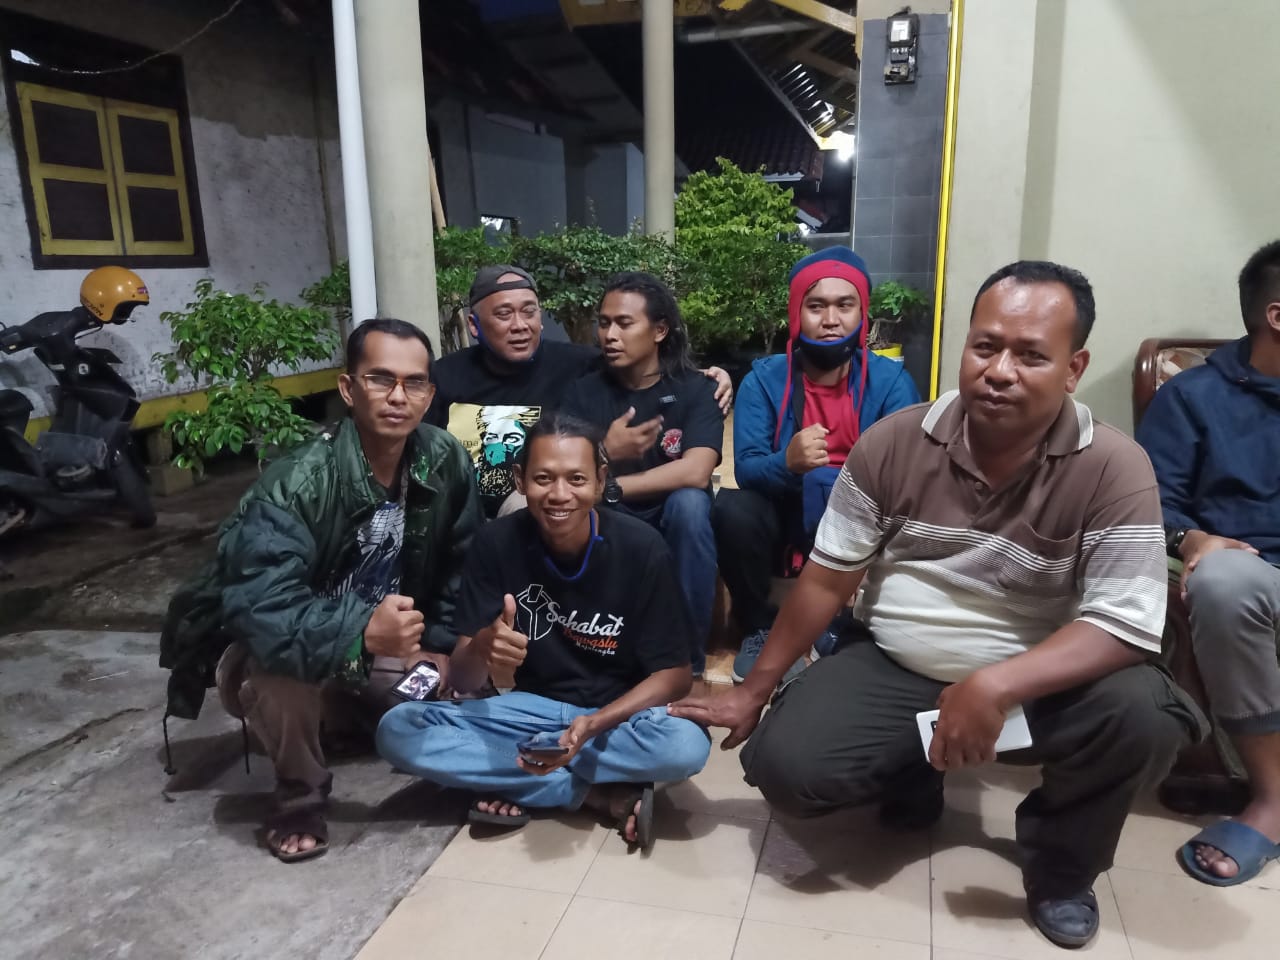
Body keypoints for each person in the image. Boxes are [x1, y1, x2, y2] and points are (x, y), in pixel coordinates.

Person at [671, 261, 1207, 949]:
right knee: (786, 767)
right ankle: (914, 767)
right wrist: (755, 689)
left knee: (1142, 715)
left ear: (1073, 369)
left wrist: (995, 685)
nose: (999, 371)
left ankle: (1062, 869)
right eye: (985, 346)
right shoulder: (896, 441)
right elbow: (827, 580)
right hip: (898, 659)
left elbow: (1126, 624)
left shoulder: (1112, 466)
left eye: (1030, 355)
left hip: (1043, 679)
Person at [159, 318, 482, 863]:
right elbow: (261, 612)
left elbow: (461, 563)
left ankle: (345, 721)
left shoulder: (444, 457)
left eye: (414, 383)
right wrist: (362, 630)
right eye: (380, 379)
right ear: (349, 388)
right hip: (288, 650)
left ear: (429, 395)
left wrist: (442, 645)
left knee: (462, 687)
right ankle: (299, 799)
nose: (398, 396)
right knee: (280, 679)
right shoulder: (297, 483)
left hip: (385, 649)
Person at [376, 412, 711, 848]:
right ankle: (592, 794)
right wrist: (483, 645)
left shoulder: (641, 548)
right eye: (543, 478)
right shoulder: (496, 543)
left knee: (686, 746)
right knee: (399, 729)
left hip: (615, 716)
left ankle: (516, 774)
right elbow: (463, 679)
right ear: (520, 480)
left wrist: (593, 725)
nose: (559, 494)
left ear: (600, 481)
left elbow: (675, 676)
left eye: (576, 479)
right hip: (532, 708)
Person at [1136, 239, 1280, 887]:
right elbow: (1147, 505)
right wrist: (1189, 538)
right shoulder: (1194, 397)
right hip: (1249, 570)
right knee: (1223, 582)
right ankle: (1271, 799)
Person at [713, 247, 921, 683]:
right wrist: (788, 463)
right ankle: (761, 627)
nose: (830, 319)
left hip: (858, 522)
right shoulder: (763, 380)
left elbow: (905, 477)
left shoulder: (892, 383)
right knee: (732, 508)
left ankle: (842, 622)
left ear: (862, 314)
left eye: (844, 305)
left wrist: (831, 481)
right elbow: (747, 470)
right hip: (786, 515)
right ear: (796, 312)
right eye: (816, 306)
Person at [428, 264, 733, 518]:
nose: (520, 325)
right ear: (474, 325)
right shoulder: (444, 376)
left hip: (531, 501)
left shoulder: (577, 364)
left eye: (529, 312)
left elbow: (646, 365)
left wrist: (707, 377)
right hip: (460, 510)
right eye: (504, 314)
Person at [559, 272, 723, 676]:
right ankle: (595, 652)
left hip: (665, 508)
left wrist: (610, 487)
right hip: (609, 514)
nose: (609, 335)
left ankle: (685, 661)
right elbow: (562, 467)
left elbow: (697, 470)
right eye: (603, 323)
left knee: (690, 505)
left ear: (660, 330)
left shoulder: (696, 388)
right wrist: (606, 450)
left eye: (624, 323)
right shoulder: (584, 392)